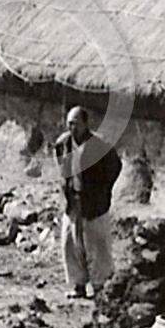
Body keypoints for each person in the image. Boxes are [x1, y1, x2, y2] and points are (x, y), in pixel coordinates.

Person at [53, 107, 123, 299]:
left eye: (75, 123)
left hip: (93, 204)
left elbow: (115, 166)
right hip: (73, 202)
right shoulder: (64, 143)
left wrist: (101, 190)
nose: (72, 127)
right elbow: (60, 162)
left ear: (85, 124)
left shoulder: (99, 146)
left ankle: (100, 287)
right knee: (71, 243)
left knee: (97, 246)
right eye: (69, 123)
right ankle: (78, 285)